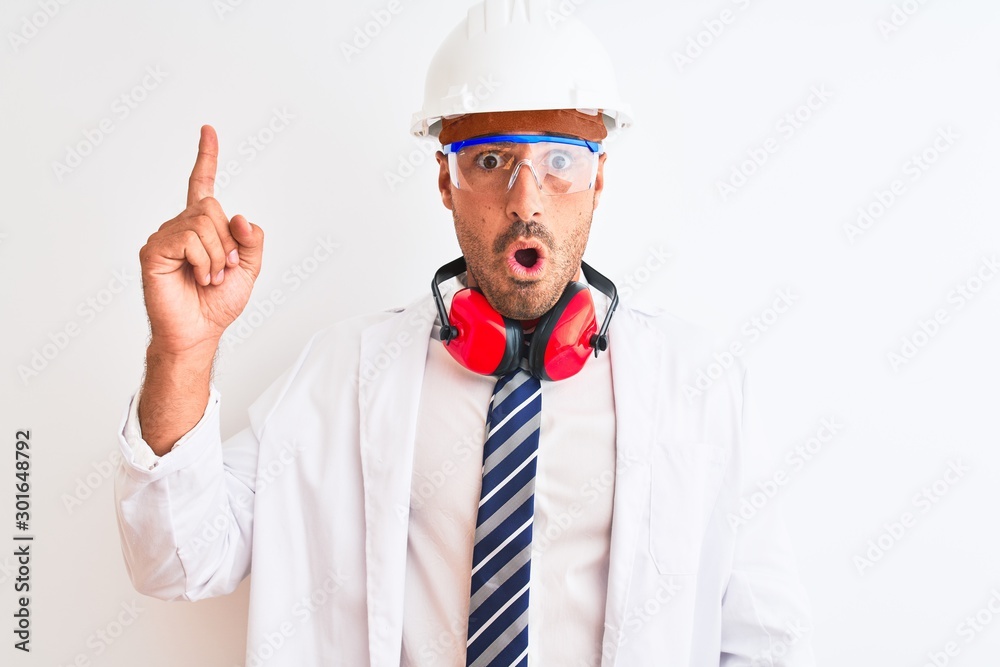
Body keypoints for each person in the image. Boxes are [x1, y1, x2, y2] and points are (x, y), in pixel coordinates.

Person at [115, 1, 816, 665]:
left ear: (600, 177)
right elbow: (178, 556)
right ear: (445, 181)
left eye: (560, 161)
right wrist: (183, 351)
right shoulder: (337, 378)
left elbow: (761, 637)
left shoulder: (699, 386)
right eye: (488, 161)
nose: (525, 200)